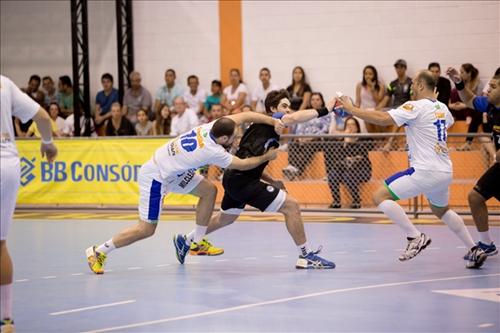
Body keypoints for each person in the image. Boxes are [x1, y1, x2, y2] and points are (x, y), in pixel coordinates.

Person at [86, 112, 283, 274]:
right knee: (146, 229)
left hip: (176, 171)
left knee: (209, 191)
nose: (235, 140)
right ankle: (99, 251)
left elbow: (246, 115)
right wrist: (268, 156)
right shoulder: (213, 151)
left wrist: (273, 121)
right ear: (223, 138)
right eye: (233, 137)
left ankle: (196, 243)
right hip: (157, 176)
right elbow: (244, 164)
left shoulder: (212, 127)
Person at [335, 70, 487, 269]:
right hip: (444, 171)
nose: (411, 87)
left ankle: (415, 237)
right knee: (440, 209)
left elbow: (382, 118)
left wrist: (352, 109)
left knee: (380, 196)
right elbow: (439, 124)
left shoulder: (415, 106)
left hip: (425, 170)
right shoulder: (443, 109)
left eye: (414, 83)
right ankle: (474, 249)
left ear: (422, 86)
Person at [174, 89, 336, 269]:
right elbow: (293, 119)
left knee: (225, 219)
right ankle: (306, 256)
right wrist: (326, 109)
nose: (288, 111)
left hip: (235, 178)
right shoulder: (269, 124)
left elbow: (251, 162)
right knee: (292, 206)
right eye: (284, 106)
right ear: (272, 109)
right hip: (241, 179)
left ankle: (186, 240)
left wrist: (272, 181)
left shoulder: (264, 130)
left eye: (290, 107)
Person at [1, 75, 58, 333]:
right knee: (0, 245)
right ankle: (6, 320)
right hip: (7, 165)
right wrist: (47, 143)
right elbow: (44, 118)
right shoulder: (4, 83)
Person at [446, 67, 500, 257]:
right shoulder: (491, 105)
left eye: (493, 86)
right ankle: (486, 244)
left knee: (475, 197)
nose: (488, 90)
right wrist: (459, 82)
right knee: (476, 197)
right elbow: (469, 99)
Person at [325, 117, 373, 209]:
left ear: (357, 127)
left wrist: (350, 144)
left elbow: (360, 158)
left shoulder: (362, 140)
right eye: (348, 125)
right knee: (332, 175)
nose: (350, 127)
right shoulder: (342, 141)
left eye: (353, 125)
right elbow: (338, 158)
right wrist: (345, 143)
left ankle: (356, 200)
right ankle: (336, 201)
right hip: (344, 169)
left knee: (348, 175)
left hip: (362, 170)